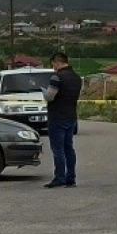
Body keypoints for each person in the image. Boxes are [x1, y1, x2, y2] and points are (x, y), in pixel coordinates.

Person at [41, 51, 82, 188]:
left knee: (58, 149)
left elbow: (50, 96)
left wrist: (43, 92)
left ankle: (59, 177)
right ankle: (71, 177)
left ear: (57, 62)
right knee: (68, 148)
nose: (53, 68)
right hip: (71, 116)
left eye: (53, 65)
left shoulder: (57, 78)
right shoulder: (77, 78)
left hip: (57, 116)